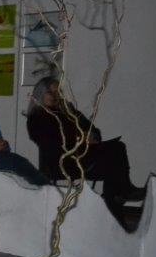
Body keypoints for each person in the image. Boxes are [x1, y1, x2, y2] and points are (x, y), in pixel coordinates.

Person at [25, 76, 143, 212]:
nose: (55, 96)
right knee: (113, 166)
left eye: (58, 92)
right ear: (40, 94)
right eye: (50, 92)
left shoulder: (68, 110)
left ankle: (117, 197)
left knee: (118, 148)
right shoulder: (36, 117)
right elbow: (50, 144)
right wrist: (79, 138)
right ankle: (117, 198)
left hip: (82, 155)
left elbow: (92, 128)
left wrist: (92, 136)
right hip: (62, 162)